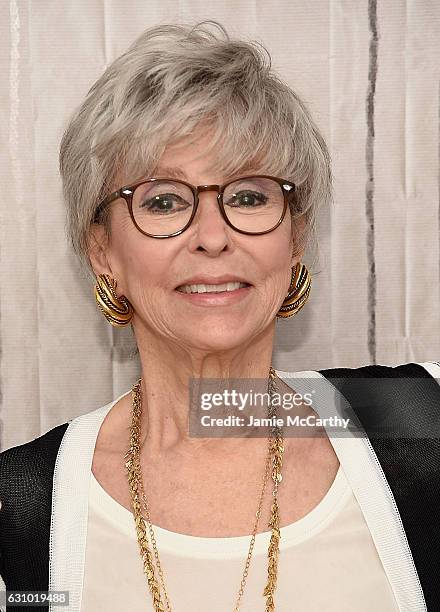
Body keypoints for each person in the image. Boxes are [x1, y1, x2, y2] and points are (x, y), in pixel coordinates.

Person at [1, 20, 439, 612]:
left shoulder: (419, 422)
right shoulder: (23, 514)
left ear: (296, 236)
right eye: (162, 200)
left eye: (250, 196)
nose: (213, 237)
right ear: (102, 252)